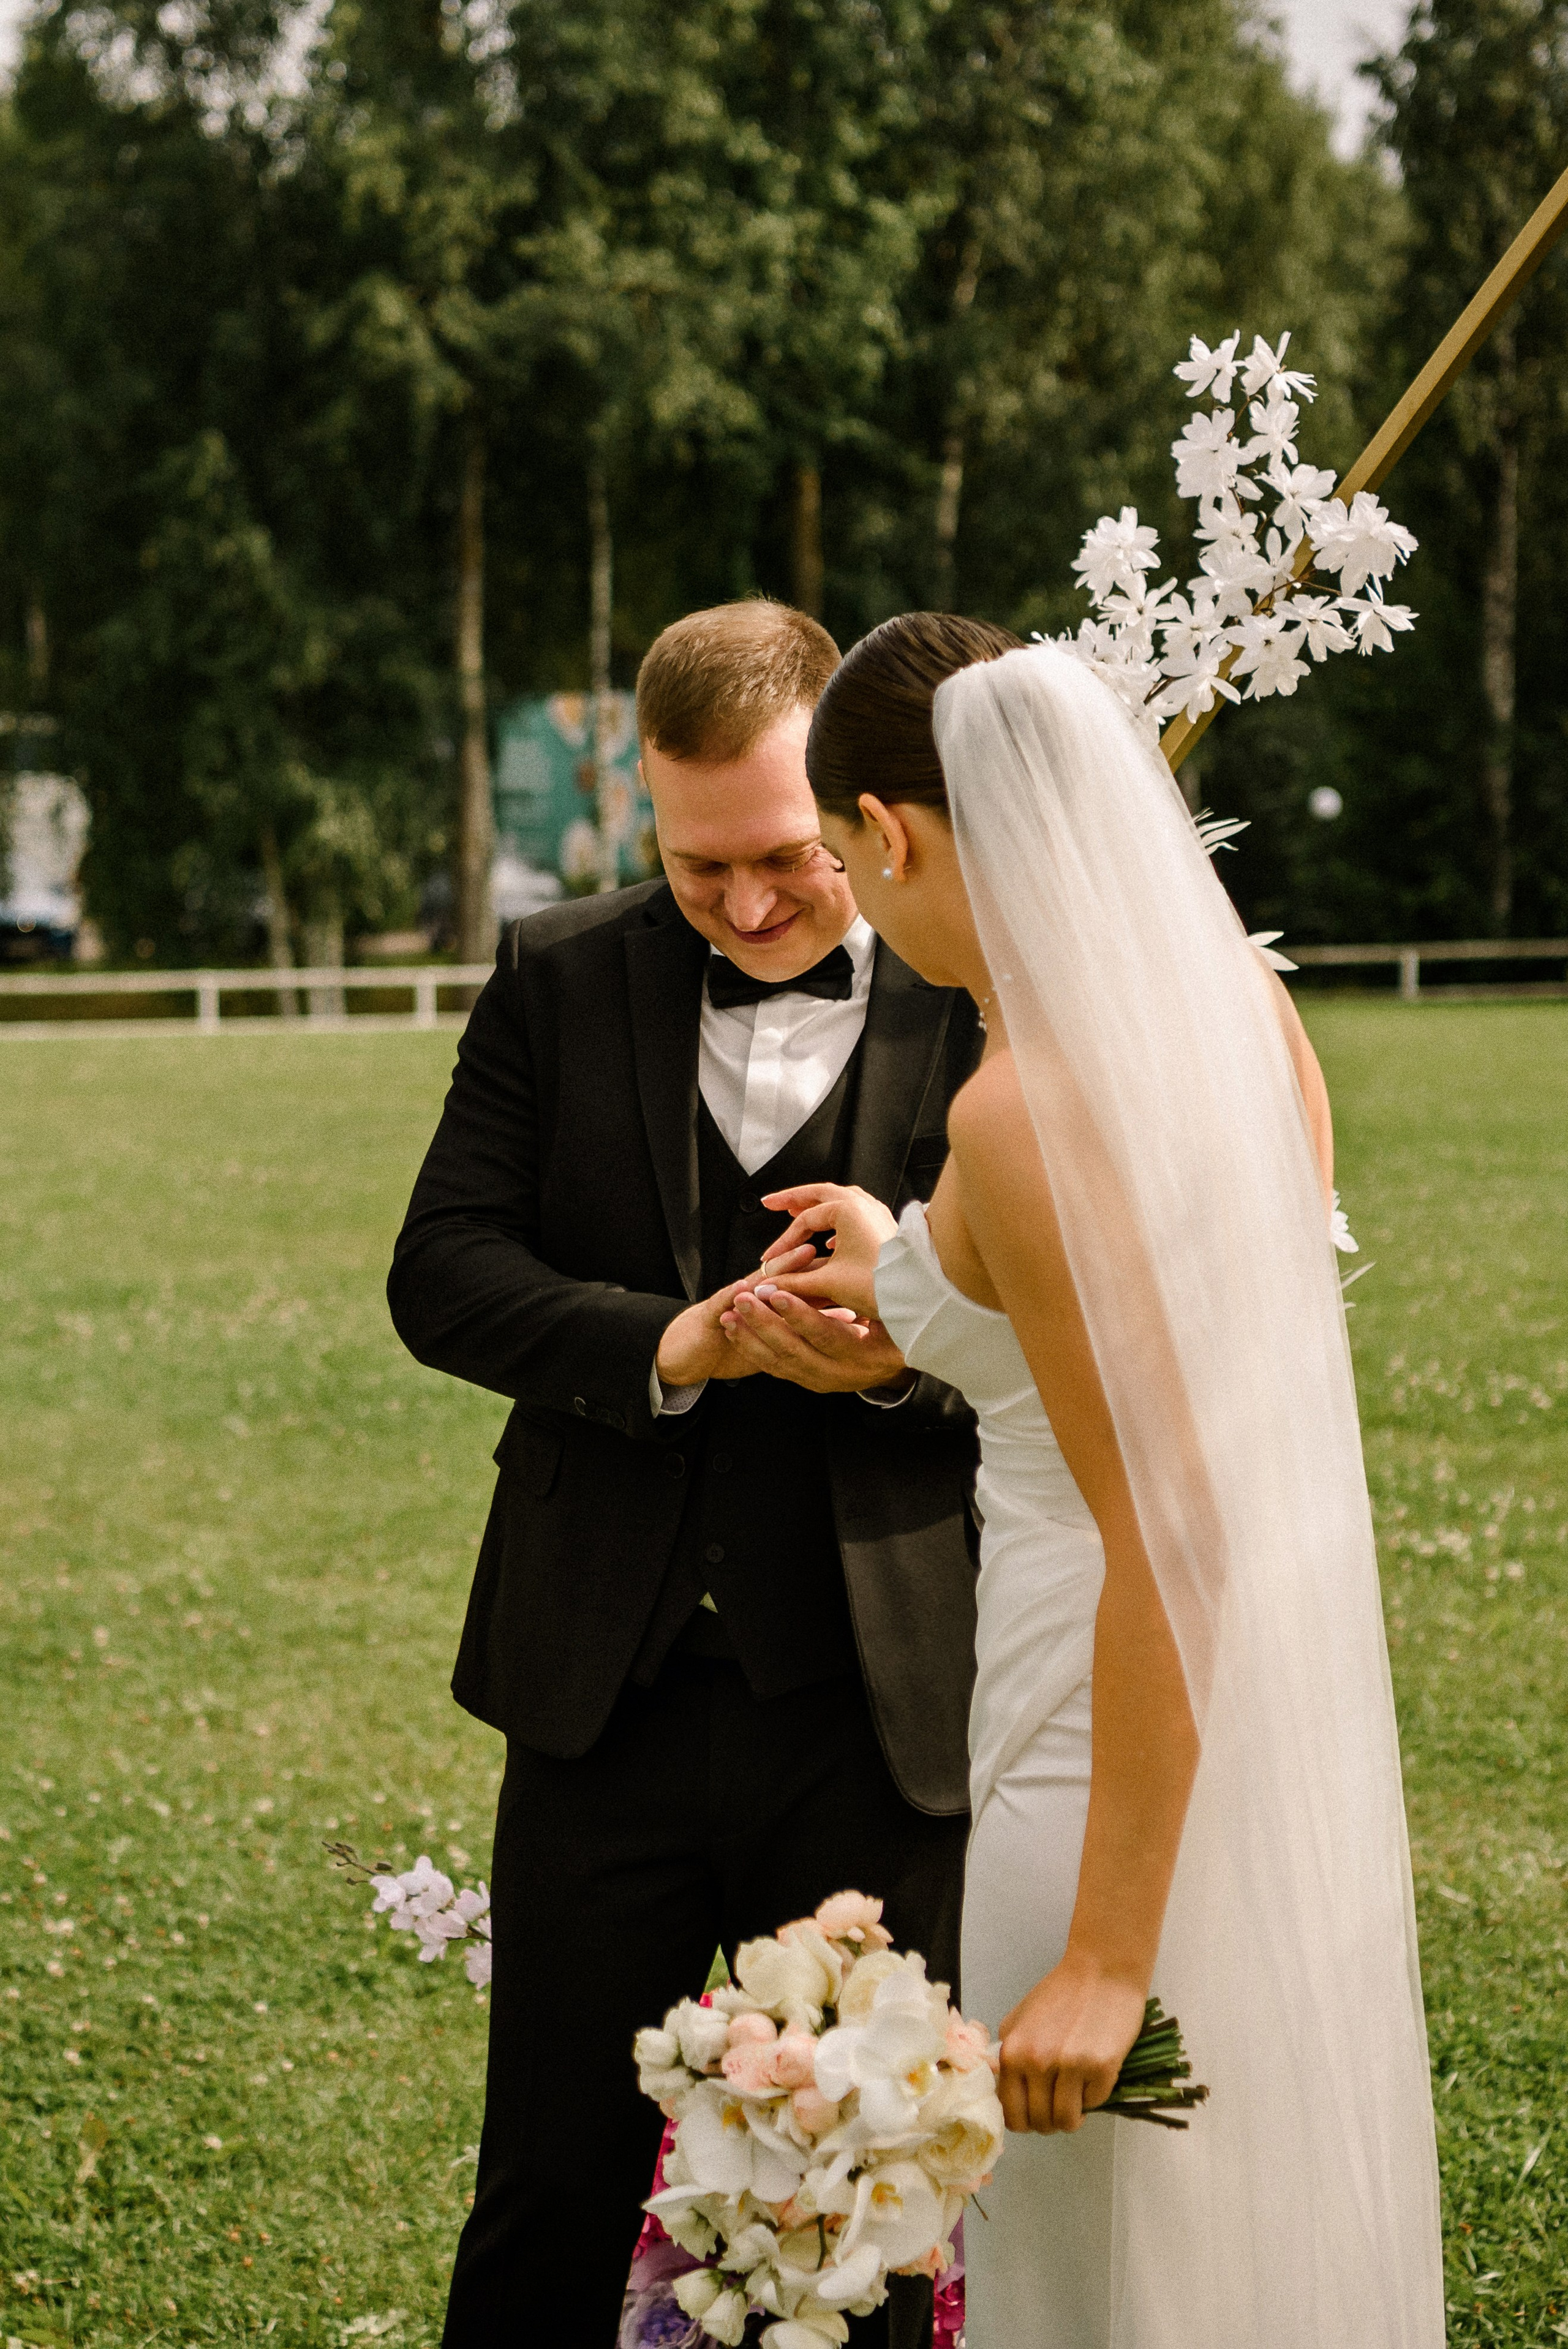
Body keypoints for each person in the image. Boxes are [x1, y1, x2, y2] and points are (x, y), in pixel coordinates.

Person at [750, 617, 1446, 2347]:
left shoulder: (1016, 1108)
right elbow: (1164, 1327)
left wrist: (1108, 1953)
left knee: (1101, 2256)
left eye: (843, 857)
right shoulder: (1243, 1022)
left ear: (891, 834)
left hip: (1093, 1735)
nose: (858, 897)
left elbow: (1170, 1522)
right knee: (1236, 2226)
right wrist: (918, 1282)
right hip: (1252, 1725)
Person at [386, 600, 982, 2348]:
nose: (741, 903)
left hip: (884, 1707)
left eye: (786, 858)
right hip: (601, 1696)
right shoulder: (559, 976)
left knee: (862, 2210)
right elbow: (443, 1269)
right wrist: (672, 1342)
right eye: (695, 860)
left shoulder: (977, 998)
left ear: (867, 811)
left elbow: (1073, 1332)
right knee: (552, 2190)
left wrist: (898, 1364)